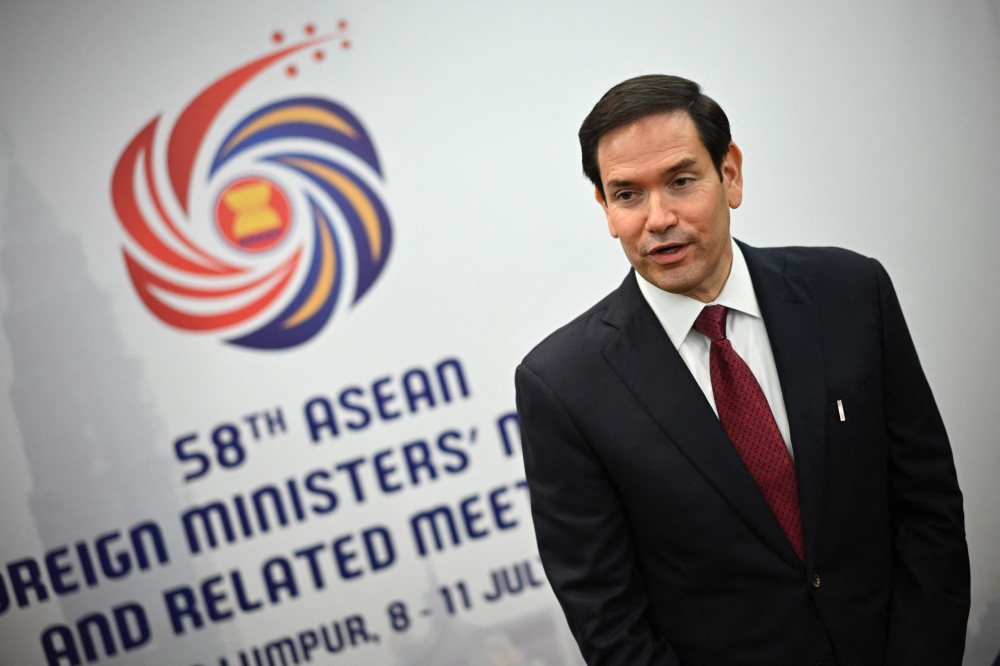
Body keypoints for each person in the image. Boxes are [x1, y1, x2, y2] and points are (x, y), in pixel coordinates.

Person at [514, 74, 970, 666]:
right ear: (604, 206)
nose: (658, 218)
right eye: (627, 195)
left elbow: (928, 507)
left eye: (681, 182)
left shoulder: (851, 293)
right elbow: (608, 619)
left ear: (729, 173)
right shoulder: (564, 385)